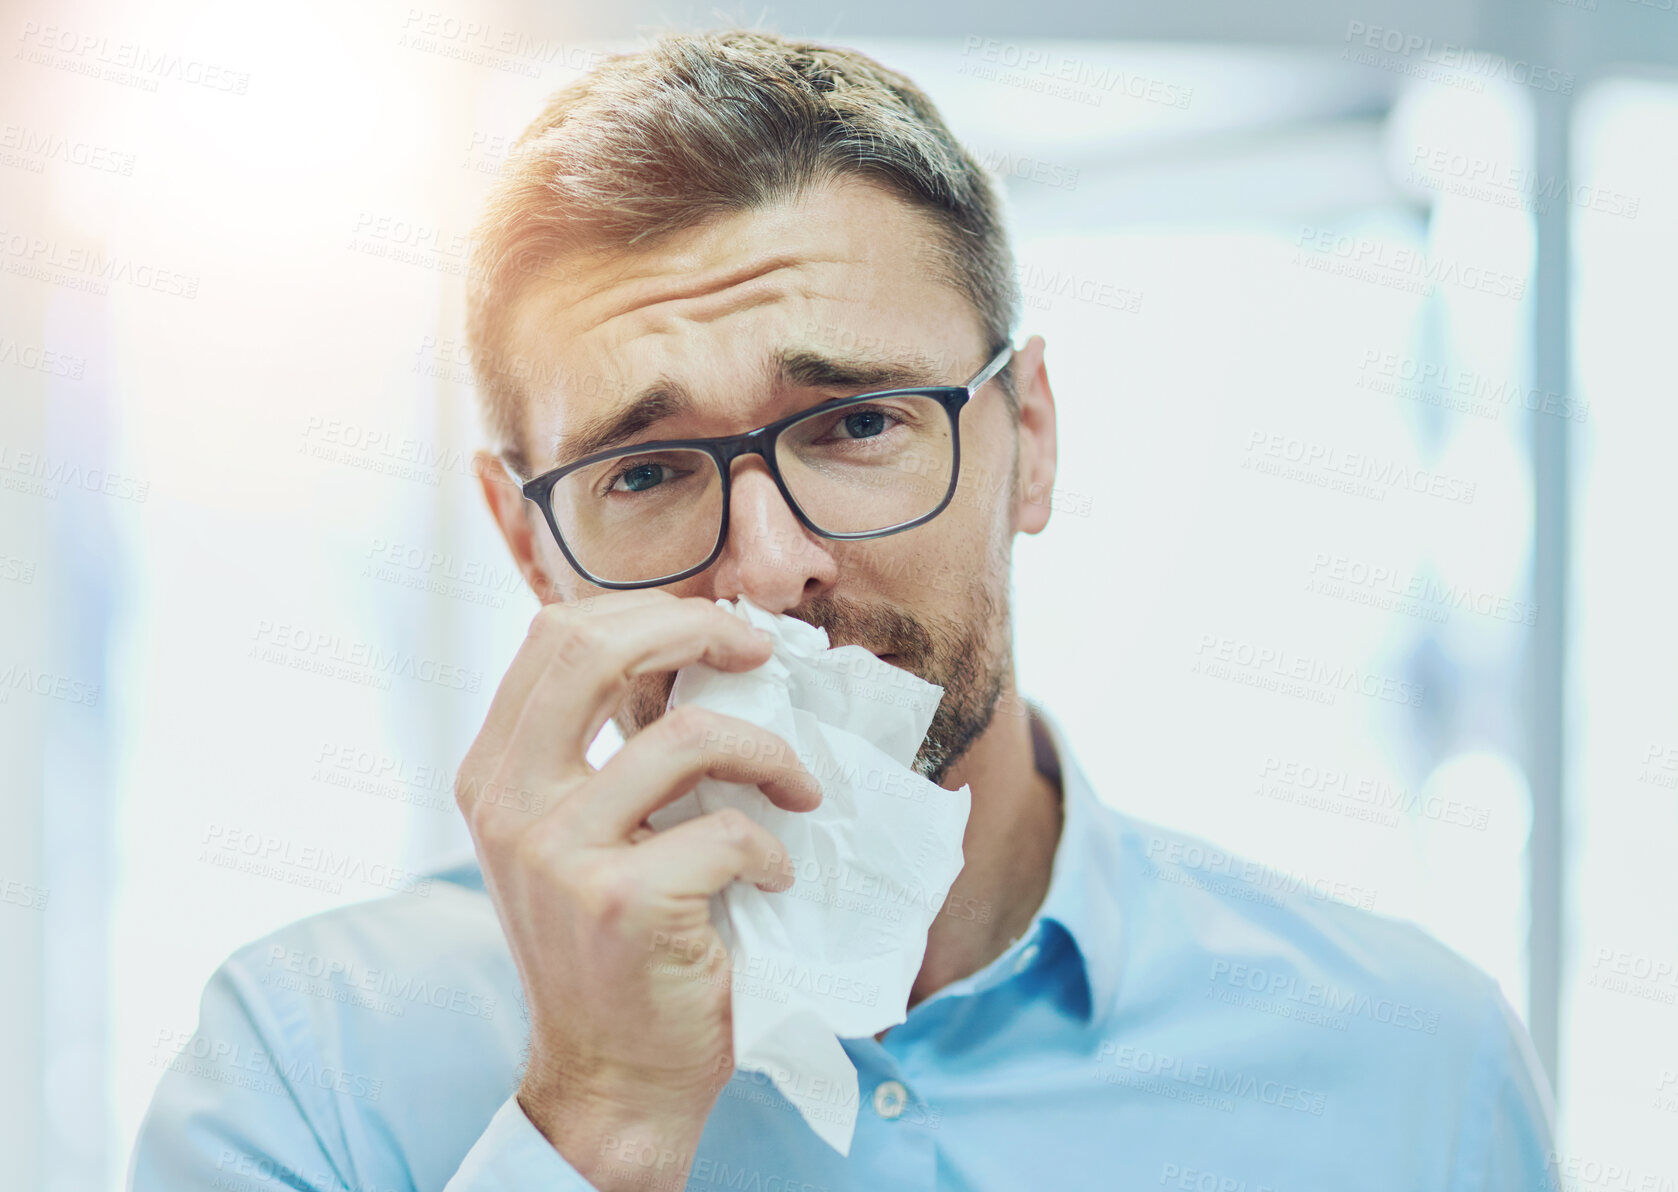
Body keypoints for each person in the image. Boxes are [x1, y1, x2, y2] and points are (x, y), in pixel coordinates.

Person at [131, 30, 1555, 1191]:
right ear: (528, 541)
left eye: (856, 425)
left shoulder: (1407, 1063)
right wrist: (598, 1121)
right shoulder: (308, 1066)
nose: (766, 568)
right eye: (643, 468)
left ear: (1032, 439)